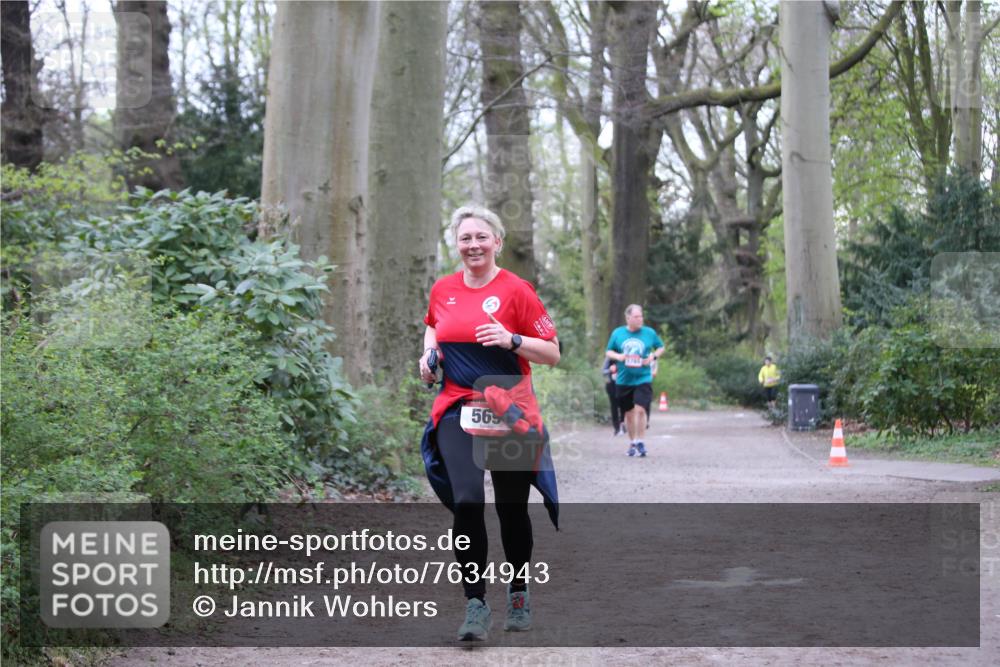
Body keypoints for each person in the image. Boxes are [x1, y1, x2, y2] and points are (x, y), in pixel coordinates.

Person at [418, 205, 560, 641]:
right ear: (456, 244)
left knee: (511, 508)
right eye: (465, 238)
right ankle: (475, 603)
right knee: (466, 501)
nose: (473, 245)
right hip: (458, 405)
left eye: (481, 237)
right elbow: (433, 327)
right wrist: (428, 356)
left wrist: (512, 339)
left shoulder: (517, 291)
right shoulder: (443, 289)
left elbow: (552, 352)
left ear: (497, 241)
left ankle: (518, 591)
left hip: (508, 407)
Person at [605, 304, 664, 457]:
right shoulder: (618, 333)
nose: (640, 319)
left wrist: (652, 357)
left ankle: (641, 441)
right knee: (629, 414)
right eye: (636, 317)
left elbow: (660, 347)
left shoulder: (649, 333)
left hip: (643, 377)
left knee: (641, 409)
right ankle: (633, 442)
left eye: (641, 316)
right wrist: (619, 356)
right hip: (624, 380)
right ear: (628, 318)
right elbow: (608, 351)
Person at [602, 358, 625, 436]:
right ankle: (616, 428)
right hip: (612, 385)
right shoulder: (609, 358)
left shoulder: (626, 356)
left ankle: (623, 423)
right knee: (614, 406)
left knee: (624, 405)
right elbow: (603, 371)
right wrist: (610, 370)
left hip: (624, 385)